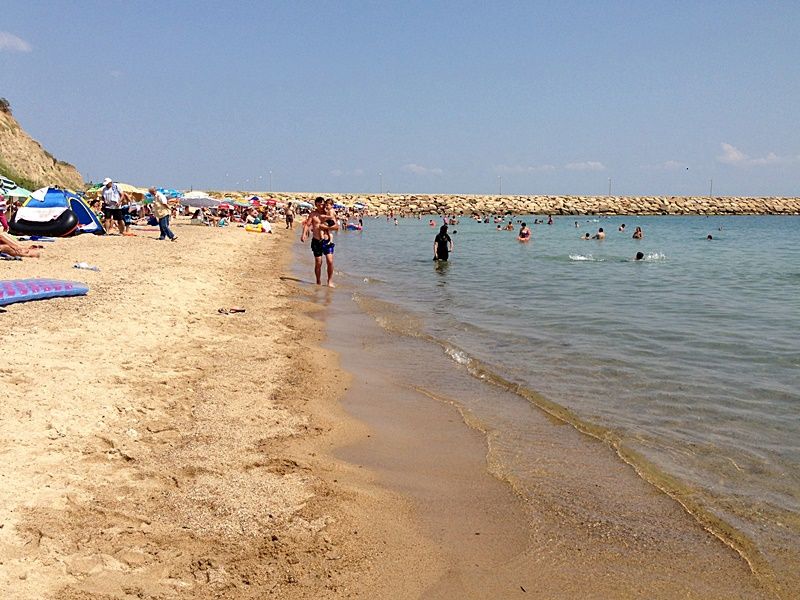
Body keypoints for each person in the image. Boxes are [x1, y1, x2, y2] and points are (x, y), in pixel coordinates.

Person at [300, 196, 338, 287]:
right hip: (316, 240)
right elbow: (307, 225)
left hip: (327, 241)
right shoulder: (313, 214)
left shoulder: (328, 213)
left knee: (330, 261)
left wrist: (325, 227)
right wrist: (304, 234)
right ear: (316, 205)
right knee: (318, 262)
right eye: (319, 204)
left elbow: (336, 227)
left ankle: (329, 281)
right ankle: (318, 281)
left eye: (322, 204)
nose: (321, 206)